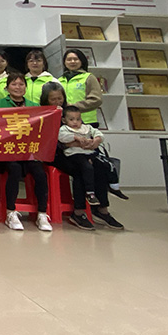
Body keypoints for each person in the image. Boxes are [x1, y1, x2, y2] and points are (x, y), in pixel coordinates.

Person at [41, 83, 124, 230]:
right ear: (46, 100)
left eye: (60, 98)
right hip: (59, 155)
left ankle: (102, 209)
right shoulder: (44, 114)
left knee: (99, 167)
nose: (57, 102)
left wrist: (93, 142)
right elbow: (46, 140)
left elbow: (86, 131)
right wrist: (70, 144)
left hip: (82, 151)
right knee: (81, 170)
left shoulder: (71, 112)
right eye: (53, 99)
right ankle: (78, 212)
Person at [0, 72, 52, 232]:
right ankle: (10, 212)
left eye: (21, 84)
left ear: (25, 88)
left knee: (39, 173)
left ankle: (42, 213)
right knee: (14, 170)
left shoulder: (35, 106)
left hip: (29, 153)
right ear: (7, 88)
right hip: (6, 152)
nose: (17, 87)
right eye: (14, 84)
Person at [58, 48, 103, 127]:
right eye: (69, 59)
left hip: (86, 122)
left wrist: (74, 107)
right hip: (65, 122)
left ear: (82, 61)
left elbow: (96, 99)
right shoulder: (60, 80)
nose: (72, 62)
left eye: (76, 59)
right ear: (64, 62)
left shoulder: (89, 77)